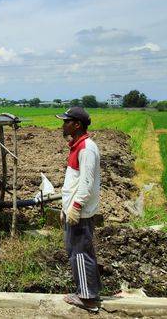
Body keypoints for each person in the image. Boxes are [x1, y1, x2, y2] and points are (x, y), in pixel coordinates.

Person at [56, 107, 102, 312]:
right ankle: (90, 291)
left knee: (80, 253)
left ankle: (88, 298)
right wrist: (65, 207)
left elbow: (86, 182)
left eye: (67, 121)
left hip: (80, 212)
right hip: (74, 209)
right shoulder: (77, 146)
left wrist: (75, 207)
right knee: (79, 251)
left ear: (77, 125)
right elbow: (73, 181)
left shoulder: (86, 148)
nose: (63, 125)